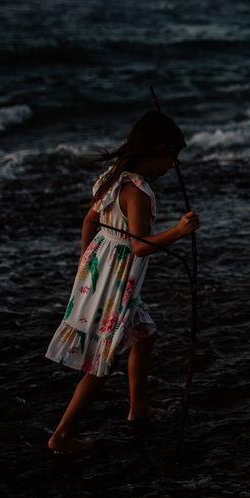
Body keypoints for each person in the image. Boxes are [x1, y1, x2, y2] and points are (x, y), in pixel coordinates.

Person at [45, 111, 201, 454]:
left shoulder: (110, 178)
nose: (168, 170)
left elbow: (90, 220)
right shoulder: (138, 192)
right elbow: (139, 246)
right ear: (157, 150)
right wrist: (179, 230)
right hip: (116, 283)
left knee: (145, 336)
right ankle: (62, 436)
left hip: (103, 273)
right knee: (101, 364)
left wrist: (86, 264)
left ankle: (138, 407)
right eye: (170, 161)